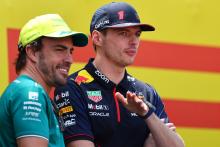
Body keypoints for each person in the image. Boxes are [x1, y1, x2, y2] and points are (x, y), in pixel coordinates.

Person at [54, 2, 185, 147]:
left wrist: (148, 115)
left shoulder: (146, 92)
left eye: (137, 34)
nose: (134, 41)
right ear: (97, 38)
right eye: (123, 33)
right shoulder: (73, 87)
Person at [0, 14, 88, 147]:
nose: (70, 59)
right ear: (32, 52)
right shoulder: (30, 92)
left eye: (70, 51)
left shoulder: (29, 91)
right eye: (60, 50)